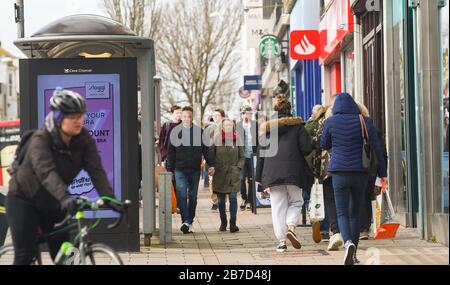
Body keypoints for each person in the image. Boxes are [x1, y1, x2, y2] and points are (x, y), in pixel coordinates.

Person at [5, 89, 118, 265]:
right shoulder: (40, 140)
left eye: (80, 116)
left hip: (52, 202)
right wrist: (65, 197)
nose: (79, 121)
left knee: (69, 257)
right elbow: (46, 172)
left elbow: (95, 170)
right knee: (25, 255)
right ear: (58, 118)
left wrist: (109, 198)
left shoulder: (84, 140)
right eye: (72, 117)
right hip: (23, 200)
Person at [320, 92, 387, 265]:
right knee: (354, 213)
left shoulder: (331, 122)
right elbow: (377, 149)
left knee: (342, 213)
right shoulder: (365, 121)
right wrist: (383, 173)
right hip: (360, 173)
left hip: (339, 174)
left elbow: (324, 144)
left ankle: (348, 242)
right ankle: (354, 253)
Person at [256, 95, 313, 252]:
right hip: (294, 172)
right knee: (296, 202)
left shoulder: (267, 130)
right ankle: (291, 227)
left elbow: (260, 154)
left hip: (272, 173)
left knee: (277, 207)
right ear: (290, 110)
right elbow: (307, 149)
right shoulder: (298, 127)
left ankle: (282, 242)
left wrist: (259, 178)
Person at [166, 106, 214, 234]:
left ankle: (189, 221)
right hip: (179, 169)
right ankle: (185, 221)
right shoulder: (175, 132)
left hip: (194, 169)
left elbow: (206, 150)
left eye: (189, 116)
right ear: (181, 117)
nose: (187, 118)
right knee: (181, 194)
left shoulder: (199, 132)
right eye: (185, 116)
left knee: (192, 196)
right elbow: (170, 153)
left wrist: (211, 165)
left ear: (192, 117)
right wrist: (169, 170)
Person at [305, 105, 344, 251]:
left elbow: (315, 148)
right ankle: (341, 231)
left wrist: (314, 170)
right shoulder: (340, 122)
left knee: (329, 199)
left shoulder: (317, 124)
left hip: (325, 168)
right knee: (341, 199)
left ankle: (330, 230)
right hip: (344, 167)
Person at [209, 118, 245, 232]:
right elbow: (210, 156)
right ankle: (223, 222)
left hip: (233, 173)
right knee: (220, 200)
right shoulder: (216, 140)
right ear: (222, 127)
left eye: (230, 125)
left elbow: (242, 156)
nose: (229, 127)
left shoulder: (237, 140)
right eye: (226, 125)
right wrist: (211, 167)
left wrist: (238, 167)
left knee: (233, 197)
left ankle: (233, 223)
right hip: (220, 173)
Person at [236, 105, 258, 210]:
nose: (247, 115)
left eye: (249, 113)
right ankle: (244, 198)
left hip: (252, 155)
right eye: (245, 113)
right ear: (242, 114)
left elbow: (259, 140)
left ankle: (250, 201)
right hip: (242, 156)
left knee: (251, 179)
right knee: (241, 179)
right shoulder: (238, 126)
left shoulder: (255, 125)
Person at [208, 109, 226, 211]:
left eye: (217, 115)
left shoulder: (227, 127)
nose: (215, 117)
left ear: (222, 117)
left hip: (224, 159)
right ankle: (215, 201)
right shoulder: (210, 129)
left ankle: (222, 201)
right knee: (212, 181)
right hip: (213, 159)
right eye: (213, 115)